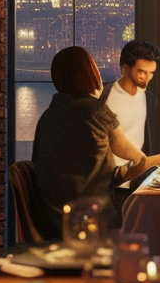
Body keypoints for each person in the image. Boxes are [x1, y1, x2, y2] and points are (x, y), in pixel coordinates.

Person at [31, 46, 151, 237]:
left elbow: (81, 173)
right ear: (90, 74)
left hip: (50, 220)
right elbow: (138, 158)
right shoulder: (96, 112)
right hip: (93, 218)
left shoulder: (47, 116)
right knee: (149, 219)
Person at [101, 40, 160, 169]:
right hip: (105, 176)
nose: (147, 77)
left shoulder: (149, 100)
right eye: (141, 72)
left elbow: (148, 143)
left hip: (135, 175)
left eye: (151, 72)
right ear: (125, 68)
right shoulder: (102, 96)